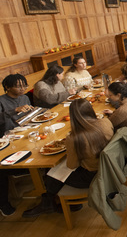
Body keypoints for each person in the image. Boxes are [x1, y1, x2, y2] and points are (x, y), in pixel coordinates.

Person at [22, 98, 113, 218]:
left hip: (92, 177)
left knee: (51, 172)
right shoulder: (106, 122)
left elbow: (72, 165)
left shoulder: (75, 137)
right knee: (58, 169)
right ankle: (56, 202)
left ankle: (49, 202)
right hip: (109, 169)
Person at [0, 74, 34, 216]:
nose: (22, 89)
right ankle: (3, 203)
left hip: (25, 134)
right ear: (7, 87)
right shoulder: (1, 101)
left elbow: (29, 118)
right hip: (6, 139)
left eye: (24, 85)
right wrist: (15, 110)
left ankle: (44, 186)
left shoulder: (25, 97)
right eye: (18, 86)